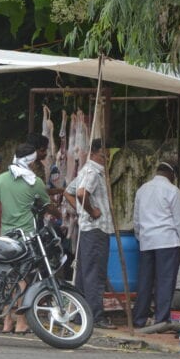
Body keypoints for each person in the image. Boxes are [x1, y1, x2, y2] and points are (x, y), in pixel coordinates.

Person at [0, 143, 59, 334]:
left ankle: (6, 321)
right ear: (31, 160)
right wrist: (58, 212)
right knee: (22, 279)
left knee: (5, 278)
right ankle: (21, 321)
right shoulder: (34, 182)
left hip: (5, 237)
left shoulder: (2, 180)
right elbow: (46, 206)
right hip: (27, 237)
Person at [64, 139, 116, 329]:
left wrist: (80, 210)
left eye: (108, 157)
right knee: (95, 274)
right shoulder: (93, 171)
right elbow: (80, 193)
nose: (106, 160)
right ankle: (95, 315)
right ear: (94, 154)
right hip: (96, 229)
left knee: (85, 273)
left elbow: (68, 192)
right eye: (104, 156)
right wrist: (91, 210)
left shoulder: (87, 170)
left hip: (88, 229)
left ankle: (81, 314)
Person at [132, 161, 180, 332]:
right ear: (172, 174)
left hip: (147, 240)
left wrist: (139, 237)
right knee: (165, 281)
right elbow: (179, 220)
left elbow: (136, 219)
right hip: (167, 241)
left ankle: (139, 319)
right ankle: (161, 319)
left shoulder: (142, 190)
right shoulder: (173, 190)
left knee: (145, 281)